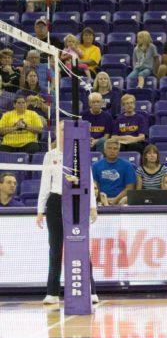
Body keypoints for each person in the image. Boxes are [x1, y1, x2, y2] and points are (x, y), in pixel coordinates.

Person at [37, 125, 99, 305]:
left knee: (82, 246)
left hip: (76, 201)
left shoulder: (81, 154)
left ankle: (90, 290)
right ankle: (52, 292)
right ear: (57, 132)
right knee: (55, 247)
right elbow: (44, 185)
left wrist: (93, 206)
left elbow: (89, 180)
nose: (65, 133)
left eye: (67, 129)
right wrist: (40, 210)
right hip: (56, 202)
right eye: (62, 129)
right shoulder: (50, 155)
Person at [91, 138, 136, 205]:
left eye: (115, 149)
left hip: (122, 201)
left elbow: (130, 188)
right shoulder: (95, 166)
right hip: (101, 200)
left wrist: (115, 200)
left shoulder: (127, 165)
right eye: (109, 148)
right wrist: (103, 199)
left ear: (118, 151)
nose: (112, 151)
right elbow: (94, 187)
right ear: (104, 150)